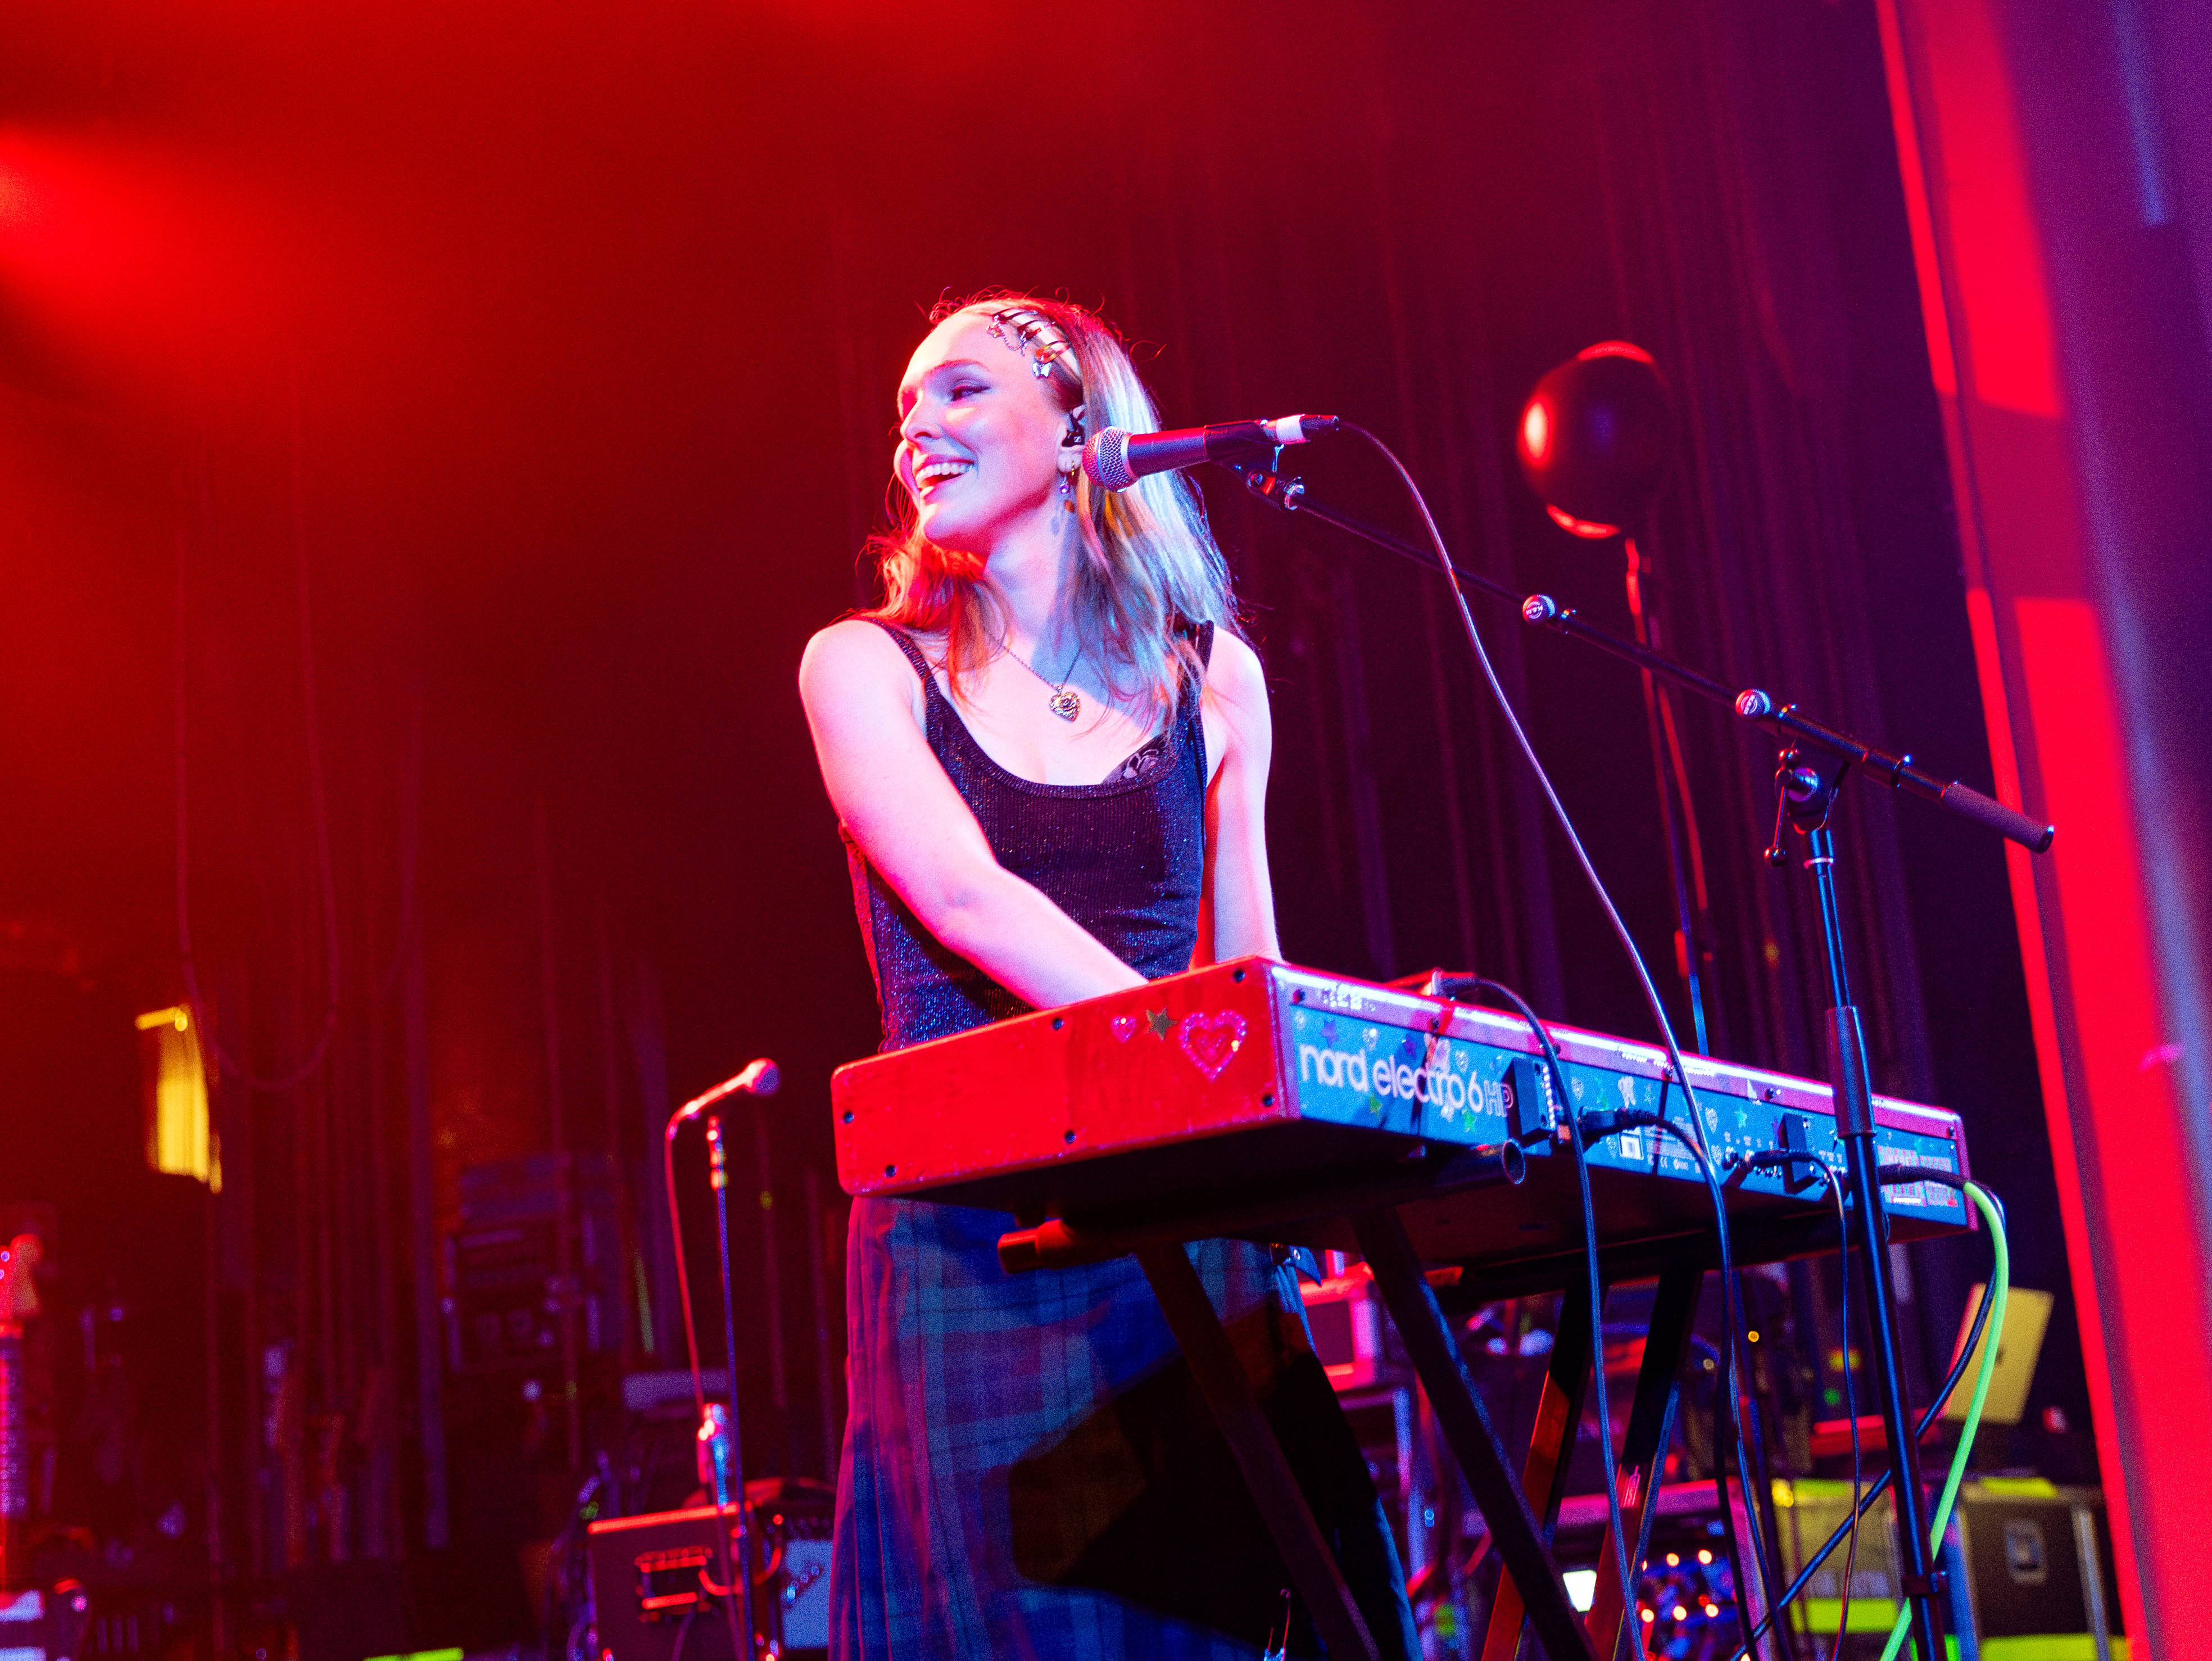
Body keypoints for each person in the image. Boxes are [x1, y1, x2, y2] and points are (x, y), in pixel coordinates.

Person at [799, 293, 1416, 1659]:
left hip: (1183, 1218)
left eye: (959, 390)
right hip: (972, 1235)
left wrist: (1283, 1127)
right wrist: (1196, 1061)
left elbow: (1246, 965)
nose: (916, 430)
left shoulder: (1216, 679)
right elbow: (968, 899)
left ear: (1081, 420)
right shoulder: (862, 666)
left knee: (1253, 1608)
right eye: (904, 409)